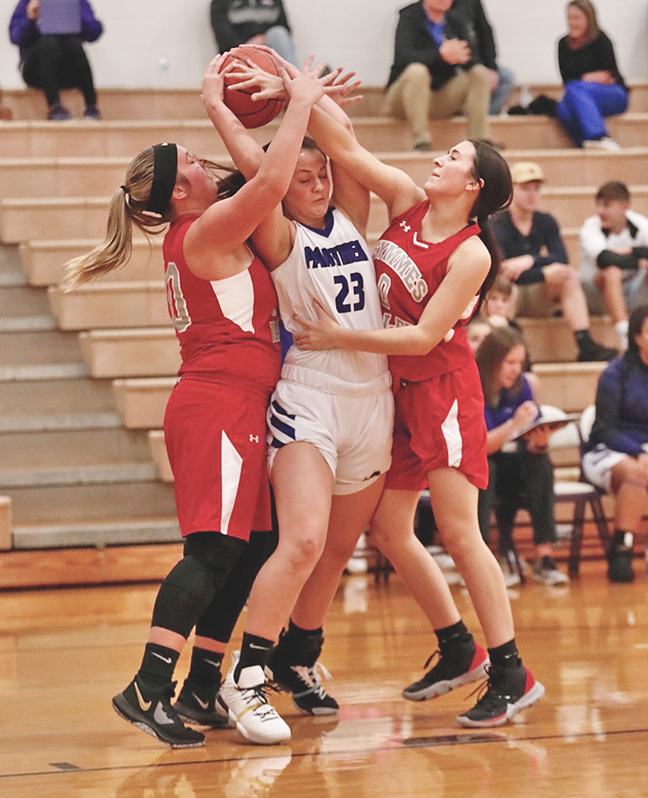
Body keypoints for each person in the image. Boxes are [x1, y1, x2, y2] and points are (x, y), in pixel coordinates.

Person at [63, 55, 331, 748]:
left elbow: (262, 175)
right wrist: (285, 96)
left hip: (235, 404)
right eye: (192, 160)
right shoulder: (206, 229)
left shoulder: (202, 225)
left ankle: (203, 686)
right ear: (180, 187)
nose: (205, 164)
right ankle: (148, 687)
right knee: (213, 551)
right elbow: (272, 180)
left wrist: (290, 101)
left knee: (255, 548)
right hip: (218, 405)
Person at [293, 108, 544, 724]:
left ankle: (511, 671)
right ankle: (459, 647)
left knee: (460, 532)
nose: (440, 159)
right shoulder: (406, 202)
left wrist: (339, 337)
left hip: (443, 392)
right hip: (398, 393)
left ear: (474, 187)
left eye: (454, 157)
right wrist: (295, 92)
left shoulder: (472, 255)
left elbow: (428, 336)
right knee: (388, 530)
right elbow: (346, 150)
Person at [204, 48, 393, 721]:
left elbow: (344, 141)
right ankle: (245, 674)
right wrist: (221, 107)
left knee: (339, 549)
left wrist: (293, 82)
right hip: (309, 395)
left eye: (321, 175)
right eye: (302, 175)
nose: (315, 183)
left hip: (373, 395)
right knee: (305, 538)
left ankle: (296, 655)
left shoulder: (351, 217)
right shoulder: (280, 236)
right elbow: (262, 169)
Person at [491, 161, 617, 362]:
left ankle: (584, 343)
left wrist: (530, 260)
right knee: (506, 286)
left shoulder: (545, 221)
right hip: (509, 293)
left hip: (536, 290)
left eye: (536, 189)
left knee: (567, 276)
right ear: (511, 191)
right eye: (525, 189)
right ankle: (514, 349)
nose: (532, 195)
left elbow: (561, 258)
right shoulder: (498, 224)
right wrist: (543, 270)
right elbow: (503, 270)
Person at [476, 326, 570, 586]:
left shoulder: (523, 386)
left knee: (540, 463)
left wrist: (539, 443)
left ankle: (544, 557)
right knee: (487, 468)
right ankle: (482, 560)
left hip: (515, 467)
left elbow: (529, 436)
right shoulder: (472, 385)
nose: (516, 369)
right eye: (510, 362)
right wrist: (512, 426)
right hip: (480, 467)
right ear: (493, 360)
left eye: (520, 362)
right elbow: (479, 447)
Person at [582, 304, 648, 583]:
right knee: (636, 472)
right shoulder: (615, 372)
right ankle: (622, 548)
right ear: (637, 336)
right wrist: (639, 451)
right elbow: (603, 430)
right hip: (609, 449)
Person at [385, 0, 491, 151]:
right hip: (403, 98)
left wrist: (460, 55)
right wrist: (440, 55)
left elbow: (470, 57)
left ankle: (481, 142)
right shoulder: (409, 16)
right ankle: (421, 141)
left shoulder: (456, 19)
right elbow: (403, 57)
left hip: (438, 97)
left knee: (478, 73)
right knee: (417, 71)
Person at [579, 181, 648, 353]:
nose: (600, 211)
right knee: (612, 271)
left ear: (624, 206)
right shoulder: (590, 227)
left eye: (607, 205)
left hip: (632, 291)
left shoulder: (641, 224)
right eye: (599, 205)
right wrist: (638, 259)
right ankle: (624, 334)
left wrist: (629, 251)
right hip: (596, 293)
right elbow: (604, 259)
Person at [9, 0, 103, 121]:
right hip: (36, 73)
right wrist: (30, 19)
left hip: (67, 73)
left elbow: (95, 33)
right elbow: (15, 36)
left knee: (73, 44)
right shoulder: (28, 2)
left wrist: (78, 17)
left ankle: (91, 107)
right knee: (49, 42)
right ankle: (55, 107)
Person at [556, 0, 628, 150]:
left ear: (588, 19)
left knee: (576, 88)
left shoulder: (601, 40)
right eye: (569, 18)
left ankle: (599, 136)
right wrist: (587, 79)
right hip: (579, 94)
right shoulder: (562, 44)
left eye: (576, 18)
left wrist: (584, 82)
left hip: (613, 95)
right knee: (563, 109)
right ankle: (587, 144)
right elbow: (566, 79)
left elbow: (610, 76)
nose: (572, 22)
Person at [450, 0, 515, 115]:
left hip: (474, 62)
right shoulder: (432, 8)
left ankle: (484, 118)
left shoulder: (471, 3)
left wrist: (491, 68)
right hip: (450, 64)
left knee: (506, 77)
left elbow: (485, 34)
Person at [210, 0, 297, 66]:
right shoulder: (220, 2)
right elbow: (223, 36)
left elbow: (284, 28)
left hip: (269, 52)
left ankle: (295, 83)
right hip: (237, 54)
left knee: (279, 33)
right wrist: (248, 47)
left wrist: (262, 39)